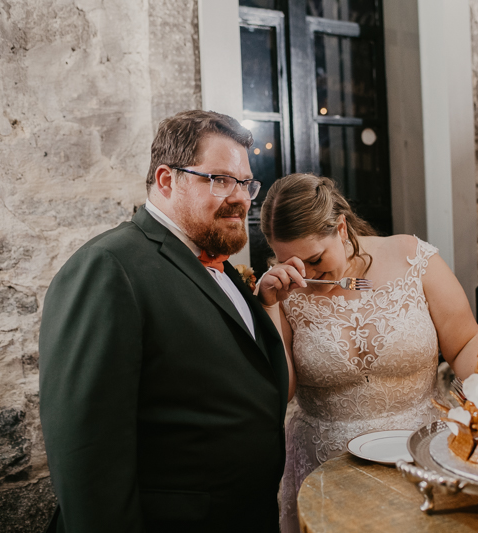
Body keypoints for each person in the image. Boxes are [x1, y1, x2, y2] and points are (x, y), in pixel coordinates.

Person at [39, 110, 288, 533]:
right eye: (220, 179)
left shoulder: (221, 267)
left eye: (246, 183)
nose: (242, 197)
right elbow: (87, 453)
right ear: (167, 180)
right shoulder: (108, 267)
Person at [256, 174, 478, 532]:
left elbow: (467, 342)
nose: (308, 276)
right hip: (322, 469)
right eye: (293, 264)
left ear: (342, 229)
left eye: (316, 259)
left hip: (418, 458)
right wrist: (270, 307)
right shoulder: (284, 292)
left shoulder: (413, 258)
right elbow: (281, 392)